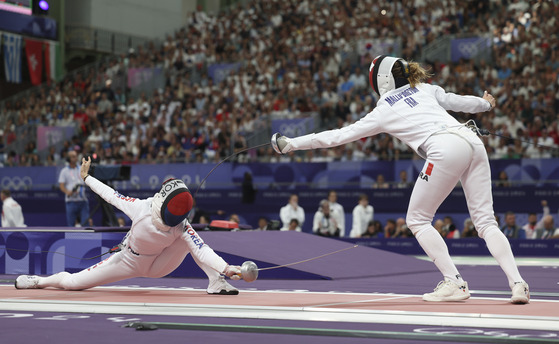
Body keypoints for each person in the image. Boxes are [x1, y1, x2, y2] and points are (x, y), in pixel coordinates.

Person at [271, 54, 529, 304]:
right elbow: (459, 102)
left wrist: (292, 143)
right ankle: (518, 284)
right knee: (485, 221)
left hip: (445, 148)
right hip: (472, 140)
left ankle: (455, 282)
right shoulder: (425, 89)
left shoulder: (384, 109)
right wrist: (485, 103)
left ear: (380, 81)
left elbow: (339, 135)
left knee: (417, 219)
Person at [15, 156, 241, 295]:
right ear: (162, 203)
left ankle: (216, 282)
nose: (176, 219)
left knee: (191, 243)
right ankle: (39, 281)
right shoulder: (140, 208)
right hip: (128, 260)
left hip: (158, 265)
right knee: (73, 283)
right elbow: (110, 195)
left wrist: (226, 268)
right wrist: (85, 177)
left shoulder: (181, 224)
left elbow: (202, 248)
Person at [58, 150, 90, 227]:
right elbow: (61, 185)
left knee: (86, 223)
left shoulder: (81, 168)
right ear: (68, 159)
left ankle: (87, 238)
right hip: (71, 201)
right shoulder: (64, 171)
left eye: (76, 156)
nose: (75, 158)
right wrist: (67, 191)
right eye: (73, 156)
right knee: (71, 225)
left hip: (83, 200)